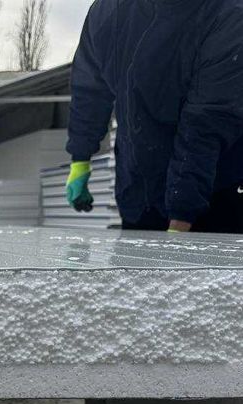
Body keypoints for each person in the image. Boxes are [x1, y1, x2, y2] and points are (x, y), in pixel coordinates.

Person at [66, 0, 243, 233]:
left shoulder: (226, 13)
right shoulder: (109, 10)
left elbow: (206, 120)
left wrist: (181, 217)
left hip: (213, 196)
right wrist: (80, 159)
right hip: (138, 197)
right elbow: (89, 88)